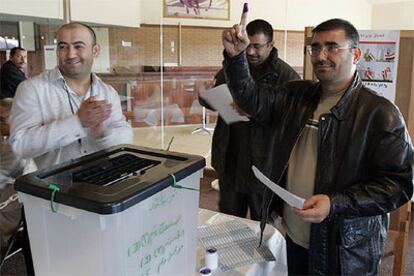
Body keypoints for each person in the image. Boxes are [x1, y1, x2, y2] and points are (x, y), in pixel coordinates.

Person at [222, 15, 413, 275]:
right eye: (315, 47)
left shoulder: (380, 114)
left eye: (332, 47)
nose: (321, 56)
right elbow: (250, 100)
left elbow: (399, 185)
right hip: (293, 234)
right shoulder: (296, 95)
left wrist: (336, 204)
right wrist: (236, 59)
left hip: (343, 249)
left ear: (356, 55)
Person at [200, 19, 300, 221]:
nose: (251, 52)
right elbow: (215, 100)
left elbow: (292, 122)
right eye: (248, 46)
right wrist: (205, 96)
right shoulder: (233, 66)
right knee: (228, 220)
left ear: (270, 45)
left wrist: (256, 110)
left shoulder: (286, 76)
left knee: (263, 225)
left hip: (264, 166)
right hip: (231, 158)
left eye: (257, 46)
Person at [10, 22, 133, 170]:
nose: (70, 54)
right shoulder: (32, 89)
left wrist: (103, 134)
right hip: (54, 188)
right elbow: (20, 145)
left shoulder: (107, 93)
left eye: (78, 46)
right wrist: (77, 122)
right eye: (63, 47)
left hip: (103, 183)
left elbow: (125, 139)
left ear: (95, 50)